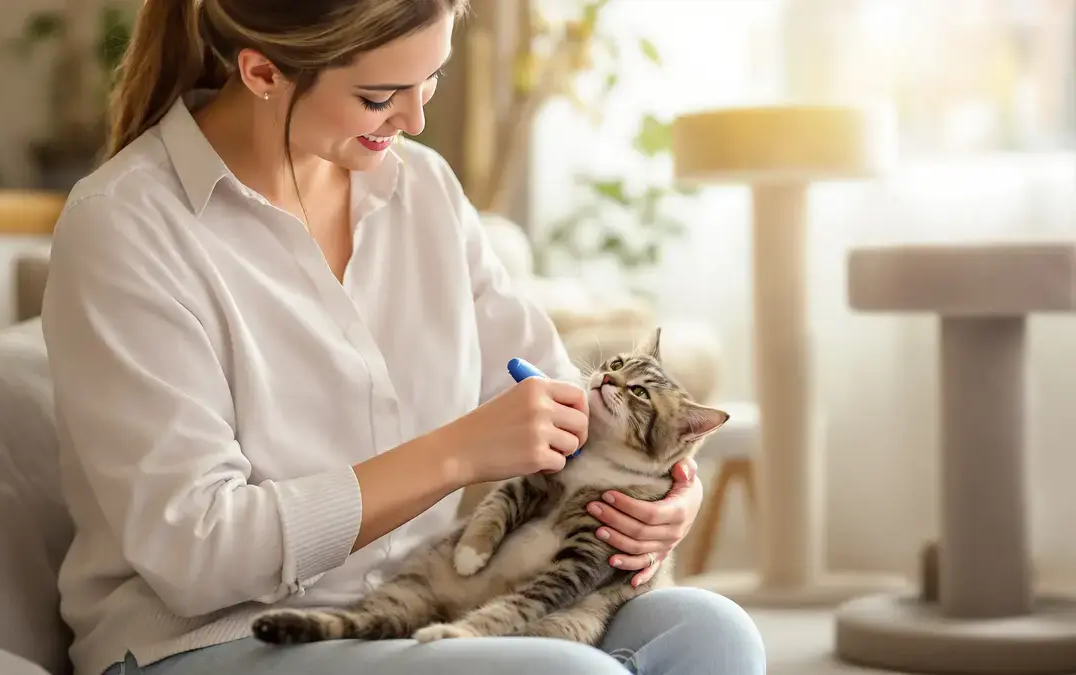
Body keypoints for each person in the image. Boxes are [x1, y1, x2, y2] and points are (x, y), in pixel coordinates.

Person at [39, 0, 766, 674]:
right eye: (380, 97)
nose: (415, 121)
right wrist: (456, 452)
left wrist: (667, 494)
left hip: (421, 598)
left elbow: (564, 400)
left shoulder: (421, 190)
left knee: (711, 632)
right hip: (220, 634)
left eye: (433, 80)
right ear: (261, 71)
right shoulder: (127, 226)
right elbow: (196, 553)